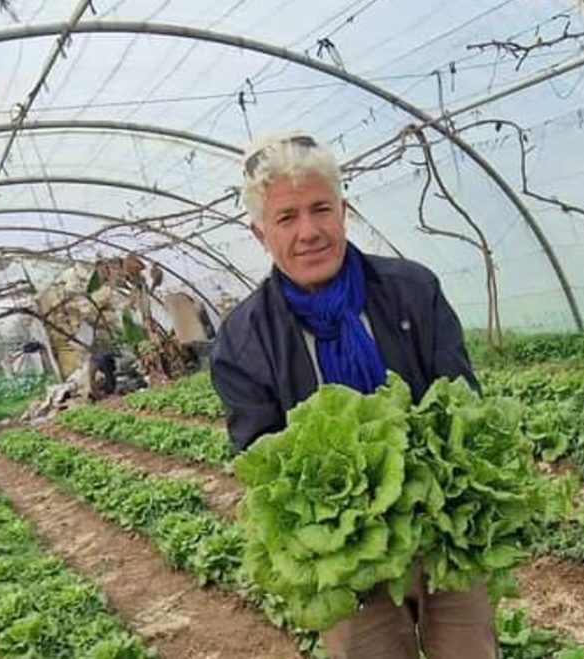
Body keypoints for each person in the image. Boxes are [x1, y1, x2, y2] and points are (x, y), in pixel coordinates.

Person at [210, 132, 496, 659]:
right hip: (347, 561)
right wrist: (347, 527)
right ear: (260, 234)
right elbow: (264, 467)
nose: (310, 231)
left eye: (321, 209)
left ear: (344, 211)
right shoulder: (242, 342)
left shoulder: (413, 290)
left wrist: (434, 494)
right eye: (287, 218)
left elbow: (463, 409)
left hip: (441, 534)